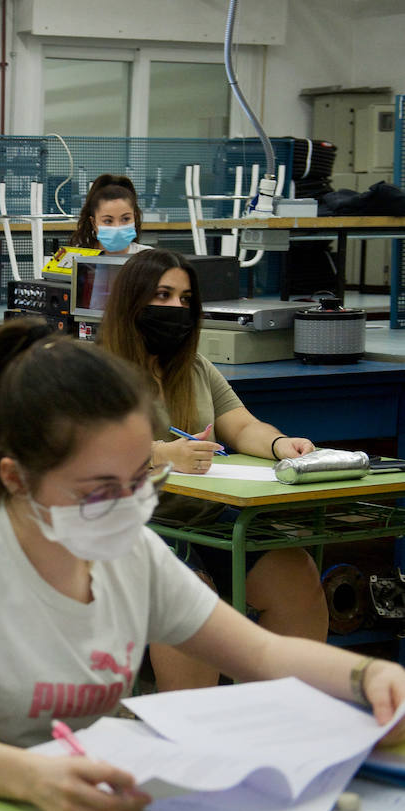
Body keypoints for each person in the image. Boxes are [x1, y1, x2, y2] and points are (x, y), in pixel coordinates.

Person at [0, 320, 405, 811]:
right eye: (100, 488)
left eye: (140, 479)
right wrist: (34, 778)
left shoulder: (127, 552)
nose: (126, 504)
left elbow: (261, 651)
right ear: (16, 477)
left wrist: (369, 677)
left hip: (87, 808)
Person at [100, 249, 328, 690]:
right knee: (193, 597)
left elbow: (240, 425)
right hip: (125, 524)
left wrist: (282, 445)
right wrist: (163, 455)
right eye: (163, 295)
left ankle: (289, 721)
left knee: (294, 573)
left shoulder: (195, 366)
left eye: (186, 299)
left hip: (199, 515)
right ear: (131, 301)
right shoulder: (95, 369)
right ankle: (191, 736)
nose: (176, 309)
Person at [69, 174, 153, 257]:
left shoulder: (150, 259)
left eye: (125, 219)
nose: (117, 227)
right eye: (108, 221)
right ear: (94, 223)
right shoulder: (76, 258)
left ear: (134, 218)